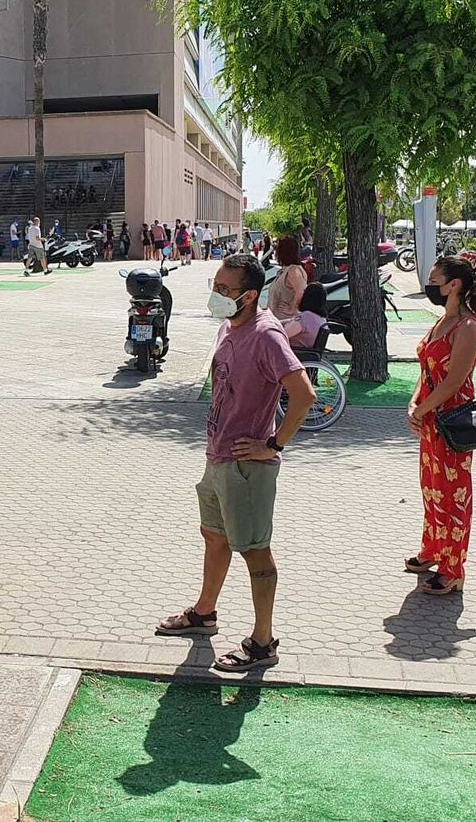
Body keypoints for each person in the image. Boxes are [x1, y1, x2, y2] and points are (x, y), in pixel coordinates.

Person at [155, 253, 315, 672]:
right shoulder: (231, 326)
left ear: (248, 296)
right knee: (214, 536)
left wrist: (274, 445)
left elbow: (304, 395)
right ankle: (204, 613)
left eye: (225, 290)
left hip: (246, 467)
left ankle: (263, 641)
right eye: (215, 285)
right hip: (219, 458)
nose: (216, 295)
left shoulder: (266, 334)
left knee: (255, 551)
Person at [405, 256, 476, 595]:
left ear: (454, 285)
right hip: (430, 419)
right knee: (431, 488)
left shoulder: (469, 327)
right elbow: (427, 370)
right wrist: (414, 404)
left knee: (454, 494)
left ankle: (453, 569)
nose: (430, 286)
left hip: (452, 422)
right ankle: (433, 550)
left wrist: (422, 409)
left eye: (434, 279)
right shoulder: (442, 322)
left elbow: (454, 382)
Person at [263, 236, 308, 320]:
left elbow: (301, 291)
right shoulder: (285, 270)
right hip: (275, 320)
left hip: (285, 321)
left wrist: (293, 309)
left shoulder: (293, 271)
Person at [281, 281, 327, 349]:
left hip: (293, 352)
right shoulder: (322, 319)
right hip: (308, 354)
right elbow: (291, 321)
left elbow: (282, 335)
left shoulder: (306, 317)